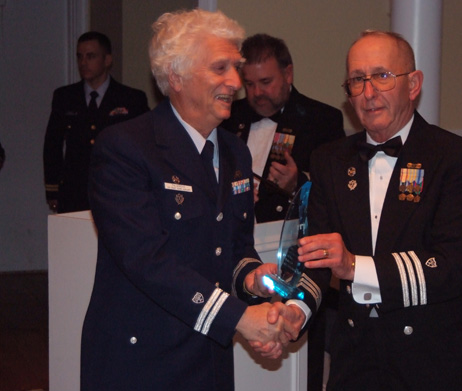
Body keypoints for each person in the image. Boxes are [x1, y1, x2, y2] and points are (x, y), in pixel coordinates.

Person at [80, 10, 308, 391]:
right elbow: (146, 260)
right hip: (141, 360)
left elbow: (234, 247)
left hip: (208, 356)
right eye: (220, 69)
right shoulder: (125, 148)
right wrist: (239, 317)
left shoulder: (234, 151)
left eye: (235, 68)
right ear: (176, 76)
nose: (235, 82)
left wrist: (252, 277)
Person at [297, 31, 462, 391]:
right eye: (357, 80)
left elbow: (455, 265)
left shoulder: (457, 158)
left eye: (382, 76)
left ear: (414, 84)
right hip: (352, 359)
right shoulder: (329, 160)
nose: (368, 92)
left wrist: (354, 266)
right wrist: (295, 310)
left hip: (428, 362)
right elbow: (318, 258)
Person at [221, 33, 345, 223]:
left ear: (288, 74)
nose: (257, 93)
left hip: (287, 240)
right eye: (249, 84)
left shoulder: (322, 120)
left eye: (265, 82)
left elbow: (338, 195)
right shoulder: (228, 117)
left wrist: (297, 185)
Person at [43, 31, 149, 213]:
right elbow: (53, 145)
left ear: (107, 60)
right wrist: (53, 190)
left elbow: (145, 146)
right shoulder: (65, 97)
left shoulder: (131, 99)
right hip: (74, 193)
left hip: (118, 191)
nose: (83, 62)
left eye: (91, 56)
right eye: (80, 57)